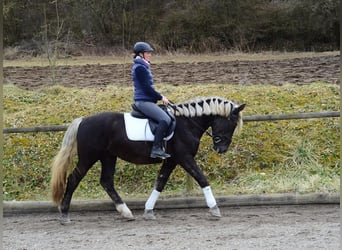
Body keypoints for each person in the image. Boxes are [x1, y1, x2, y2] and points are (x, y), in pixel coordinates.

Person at [131, 41, 172, 159]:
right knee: (164, 119)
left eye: (150, 53)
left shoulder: (143, 66)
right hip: (143, 101)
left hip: (147, 100)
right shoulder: (140, 68)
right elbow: (147, 88)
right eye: (148, 53)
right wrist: (160, 97)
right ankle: (156, 149)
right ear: (141, 54)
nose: (150, 55)